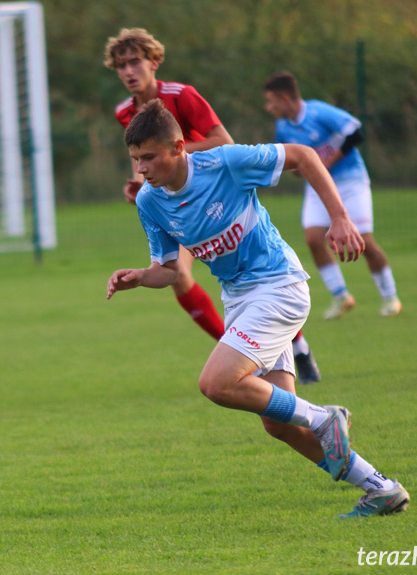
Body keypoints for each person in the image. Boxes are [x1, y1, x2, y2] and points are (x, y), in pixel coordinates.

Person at [106, 100, 410, 517]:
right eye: (136, 160)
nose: (141, 170)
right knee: (277, 423)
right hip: (240, 299)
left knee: (216, 383)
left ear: (178, 147)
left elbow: (302, 156)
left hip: (278, 286)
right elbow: (170, 271)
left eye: (149, 158)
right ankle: (381, 488)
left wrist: (339, 217)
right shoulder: (150, 202)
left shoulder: (223, 163)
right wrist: (141, 276)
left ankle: (324, 417)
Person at [104, 29, 321, 384]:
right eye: (121, 65)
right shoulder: (124, 112)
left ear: (154, 61)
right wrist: (140, 185)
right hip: (175, 204)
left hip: (214, 194)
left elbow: (223, 141)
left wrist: (177, 158)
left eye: (135, 61)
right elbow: (142, 162)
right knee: (177, 274)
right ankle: (236, 348)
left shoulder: (182, 96)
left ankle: (287, 347)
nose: (129, 71)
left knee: (249, 267)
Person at [263, 72, 402, 319]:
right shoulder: (283, 126)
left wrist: (326, 161)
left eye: (271, 101)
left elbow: (355, 133)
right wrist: (296, 168)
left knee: (364, 241)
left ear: (285, 98)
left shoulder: (319, 112)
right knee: (313, 238)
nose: (269, 108)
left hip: (350, 181)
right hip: (317, 186)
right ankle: (341, 296)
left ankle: (390, 296)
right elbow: (289, 156)